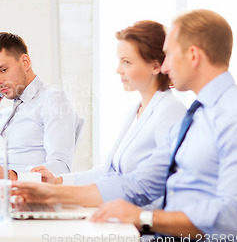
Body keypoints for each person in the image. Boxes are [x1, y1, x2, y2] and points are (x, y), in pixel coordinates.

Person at [12, 9, 237, 242]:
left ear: (193, 55)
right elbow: (139, 183)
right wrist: (52, 192)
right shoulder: (197, 115)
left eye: (169, 55)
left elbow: (235, 218)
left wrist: (145, 218)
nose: (165, 67)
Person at [33, 21, 186, 189]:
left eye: (127, 62)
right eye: (119, 61)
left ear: (156, 66)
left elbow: (171, 183)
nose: (118, 70)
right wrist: (59, 181)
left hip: (143, 212)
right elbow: (109, 171)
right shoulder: (136, 111)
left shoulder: (170, 111)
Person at [0, 32, 81, 180]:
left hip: (22, 197)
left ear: (25, 62)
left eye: (3, 70)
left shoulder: (53, 100)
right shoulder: (3, 115)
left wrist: (13, 176)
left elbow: (61, 167)